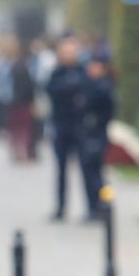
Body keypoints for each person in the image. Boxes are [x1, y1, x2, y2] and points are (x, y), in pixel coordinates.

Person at [45, 35, 88, 221]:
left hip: (80, 127)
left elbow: (87, 91)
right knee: (61, 169)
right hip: (61, 125)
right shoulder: (57, 72)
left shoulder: (82, 71)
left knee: (86, 168)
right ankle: (61, 207)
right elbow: (52, 91)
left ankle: (93, 206)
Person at [79, 45, 116, 220]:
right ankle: (94, 207)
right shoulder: (93, 84)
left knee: (95, 173)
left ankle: (101, 207)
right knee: (89, 172)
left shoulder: (103, 86)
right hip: (89, 132)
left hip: (97, 132)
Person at [5, 44, 37, 163]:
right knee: (24, 130)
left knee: (18, 130)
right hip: (23, 103)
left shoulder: (16, 67)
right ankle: (23, 153)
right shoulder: (23, 68)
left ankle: (19, 152)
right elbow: (28, 87)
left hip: (16, 102)